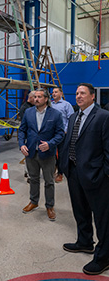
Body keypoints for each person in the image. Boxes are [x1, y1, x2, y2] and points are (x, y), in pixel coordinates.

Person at [61, 83, 109, 275]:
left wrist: (104, 173)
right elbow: (70, 142)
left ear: (92, 97)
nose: (79, 96)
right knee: (80, 211)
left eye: (83, 93)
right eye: (77, 93)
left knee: (102, 217)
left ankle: (104, 256)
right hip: (74, 173)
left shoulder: (104, 117)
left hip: (97, 176)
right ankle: (85, 242)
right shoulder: (74, 116)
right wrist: (64, 167)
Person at [18, 88, 64, 221]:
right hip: (31, 152)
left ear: (46, 99)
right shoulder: (28, 112)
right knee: (33, 178)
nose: (36, 99)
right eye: (35, 97)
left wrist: (50, 144)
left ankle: (50, 206)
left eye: (39, 97)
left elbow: (60, 134)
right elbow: (22, 130)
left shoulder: (55, 114)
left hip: (47, 153)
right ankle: (34, 202)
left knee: (49, 181)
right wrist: (22, 144)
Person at [51, 87, 74, 183]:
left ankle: (60, 173)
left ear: (61, 93)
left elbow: (71, 119)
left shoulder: (66, 105)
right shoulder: (50, 105)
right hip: (51, 134)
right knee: (51, 153)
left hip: (62, 134)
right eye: (52, 92)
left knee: (61, 154)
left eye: (56, 92)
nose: (54, 94)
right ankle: (53, 169)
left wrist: (65, 130)